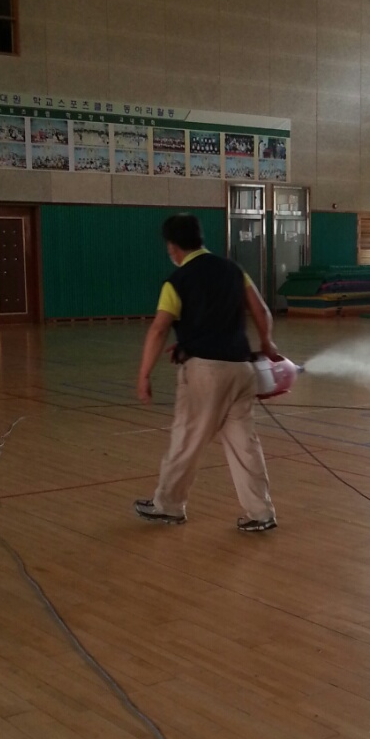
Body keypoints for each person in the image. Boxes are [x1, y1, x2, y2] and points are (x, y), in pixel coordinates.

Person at [134, 213, 279, 532]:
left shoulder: (177, 281)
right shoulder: (233, 270)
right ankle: (261, 512)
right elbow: (261, 310)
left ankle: (168, 506)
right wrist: (267, 343)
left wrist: (144, 375)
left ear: (172, 247)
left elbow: (159, 329)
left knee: (186, 439)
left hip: (205, 374)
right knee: (244, 445)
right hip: (241, 370)